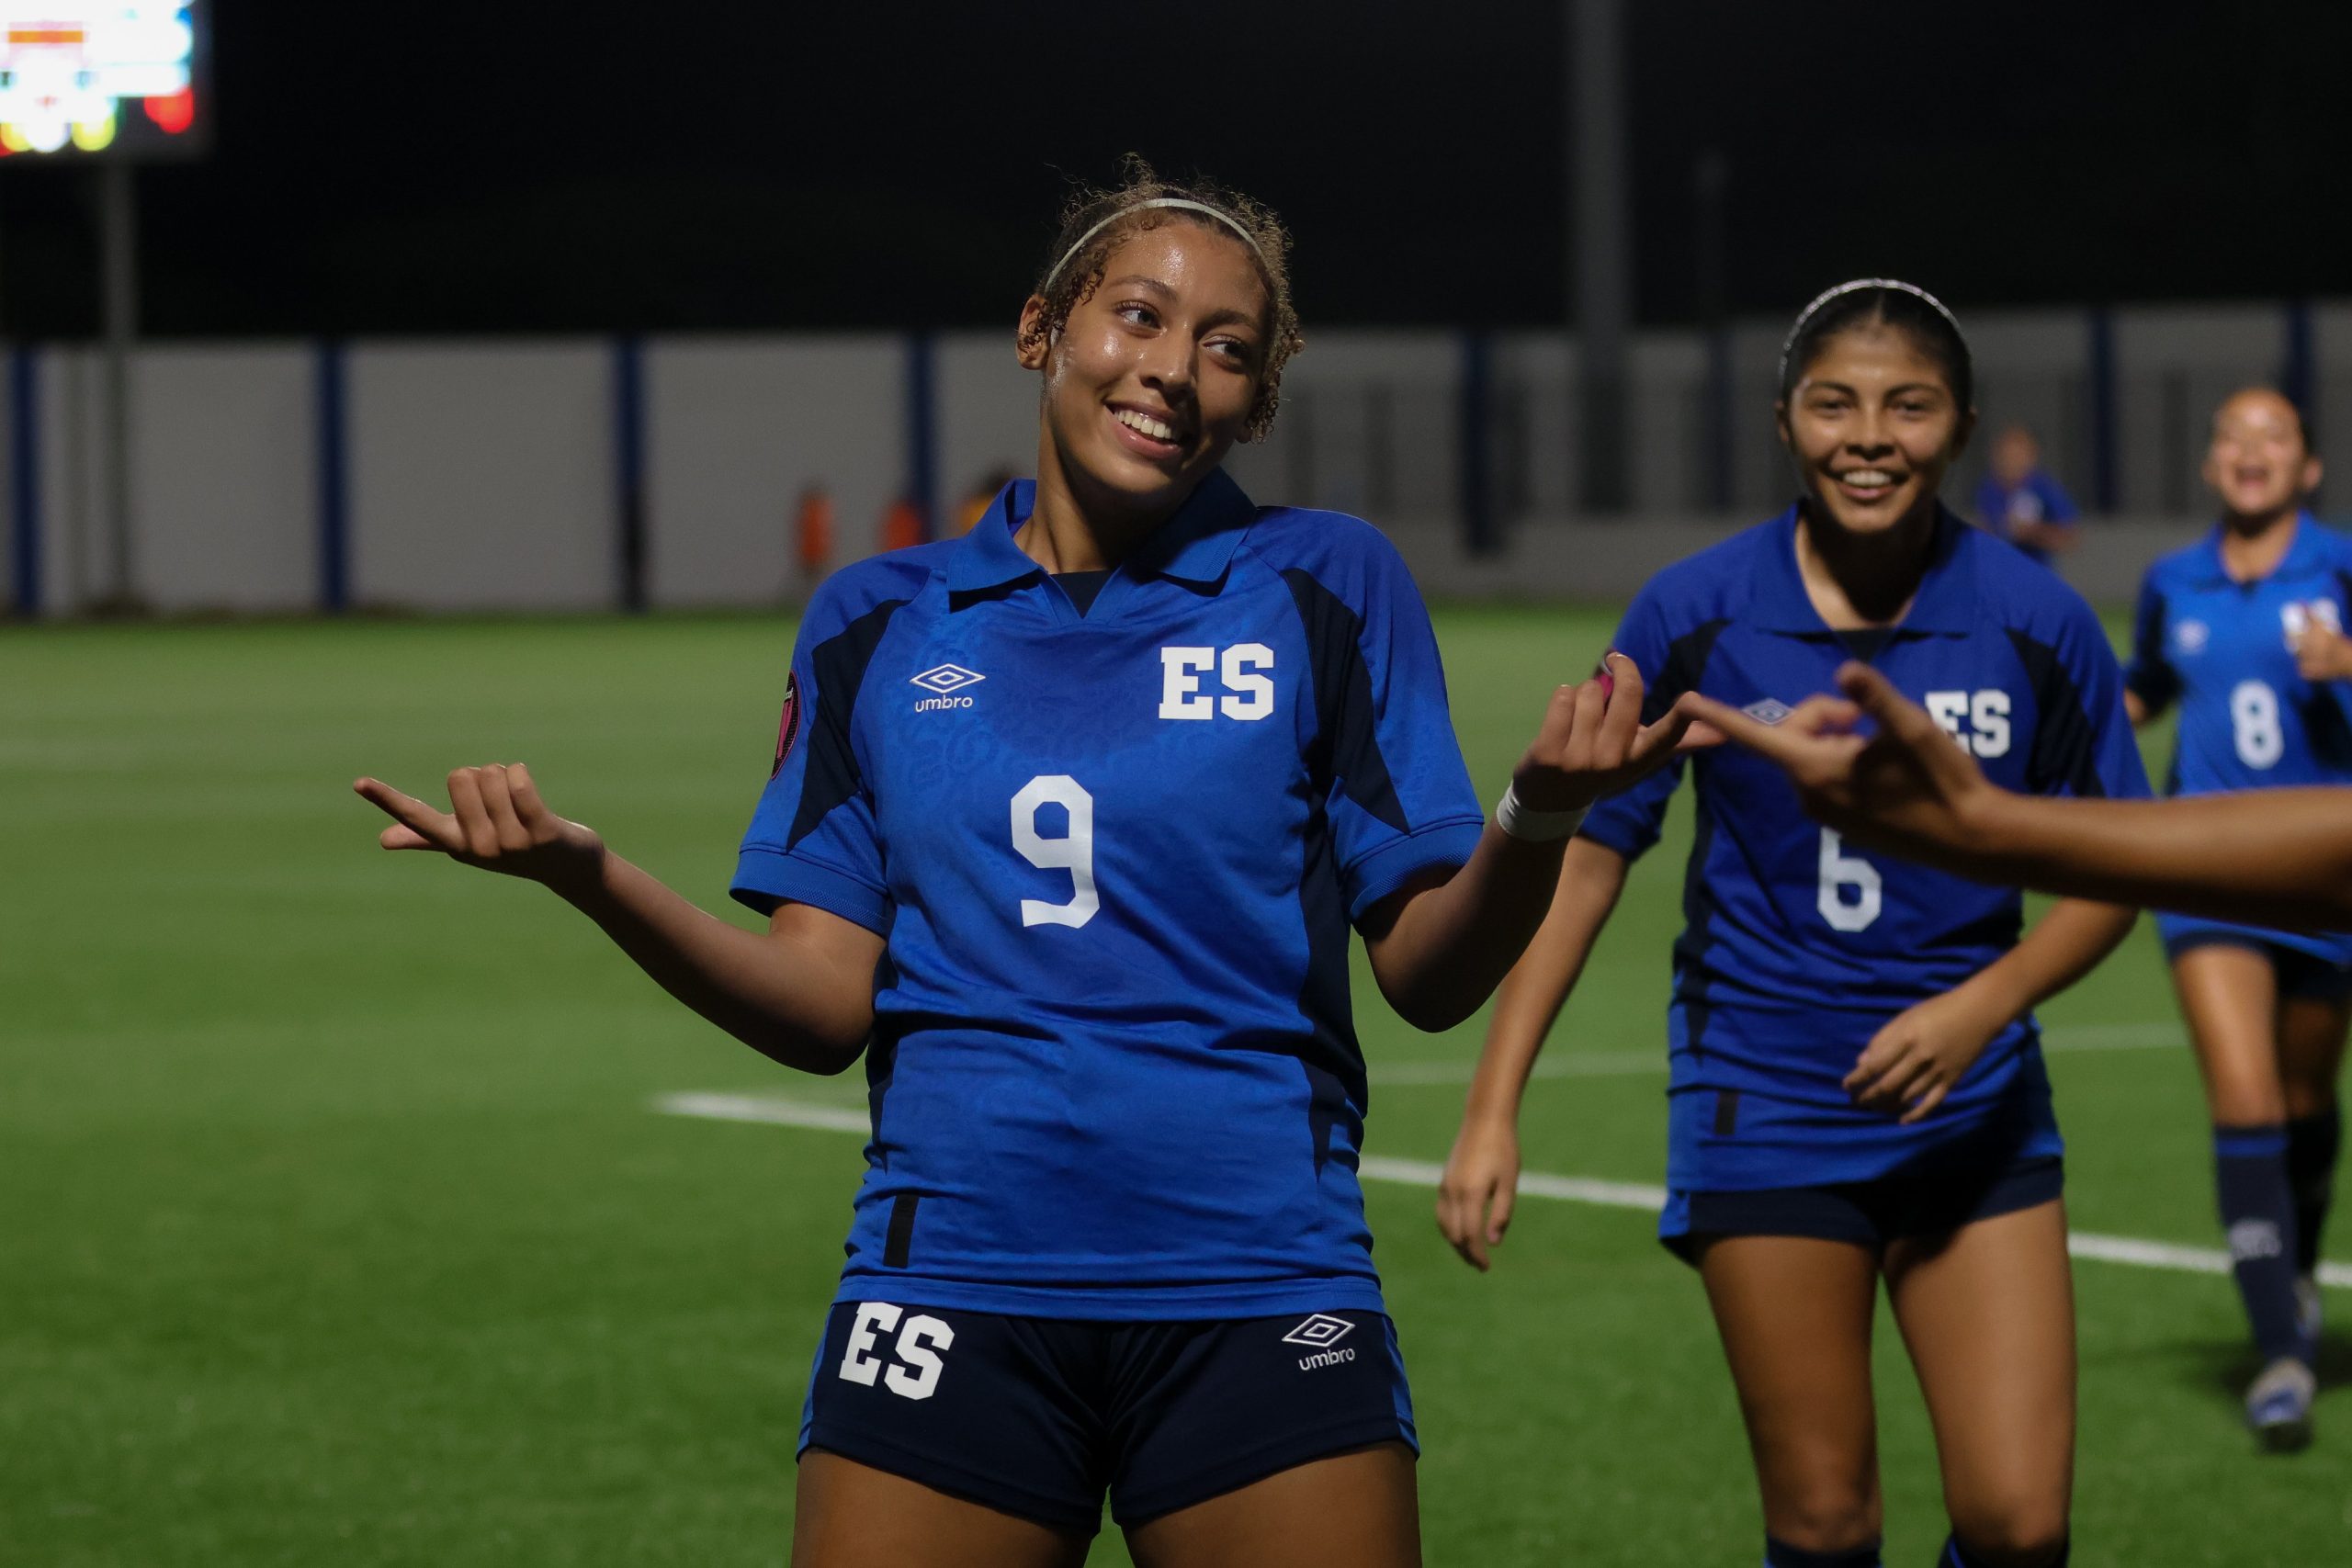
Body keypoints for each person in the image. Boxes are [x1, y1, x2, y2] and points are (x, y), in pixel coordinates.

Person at [353, 161, 1690, 1568]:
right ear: (1042, 327)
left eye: (1228, 348)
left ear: (1261, 400)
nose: (1174, 369)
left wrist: (1535, 818)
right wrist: (592, 875)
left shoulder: (1327, 584)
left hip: (1255, 1274)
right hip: (950, 1282)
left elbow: (1426, 975)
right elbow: (821, 1005)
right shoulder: (875, 619)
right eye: (1139, 317)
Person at [1436, 280, 2145, 1568]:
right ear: (1783, 422)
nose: (1868, 434)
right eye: (1835, 402)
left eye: (1907, 404)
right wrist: (1495, 1099)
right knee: (1825, 1523)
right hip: (1763, 1103)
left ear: (1962, 425)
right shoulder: (1694, 611)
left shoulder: (2035, 619)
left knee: (2022, 1522)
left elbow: (2119, 865)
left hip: (1974, 1104)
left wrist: (1987, 1002)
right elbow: (1589, 855)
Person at [2116, 387, 2352, 1448]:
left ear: (2306, 469)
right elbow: (2144, 688)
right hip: (2207, 878)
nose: (2250, 450)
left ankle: (2295, 1263)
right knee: (2246, 1093)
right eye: (2232, 436)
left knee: (2305, 1099)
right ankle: (2282, 1357)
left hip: (2327, 880)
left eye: (2274, 437)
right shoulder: (2173, 581)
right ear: (2211, 466)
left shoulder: (2339, 568)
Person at [1972, 424, 2080, 565]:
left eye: (2017, 454)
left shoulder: (2044, 488)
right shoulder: (1989, 489)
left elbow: (2070, 538)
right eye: (2006, 455)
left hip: (2034, 572)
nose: (2010, 461)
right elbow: (1988, 527)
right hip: (2000, 572)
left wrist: (2033, 532)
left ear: (2031, 456)